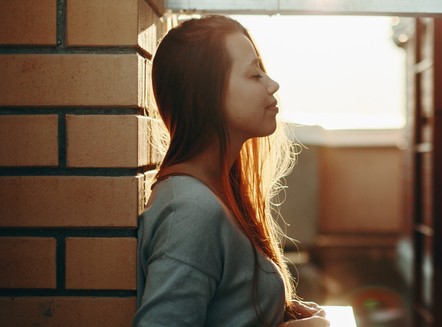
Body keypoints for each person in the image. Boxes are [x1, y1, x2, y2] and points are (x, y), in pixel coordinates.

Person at [133, 15, 330, 327]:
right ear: (206, 96)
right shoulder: (191, 211)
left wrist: (282, 311)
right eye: (254, 75)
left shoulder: (215, 193)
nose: (272, 84)